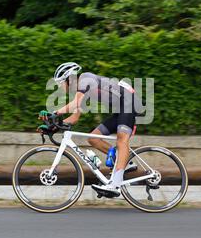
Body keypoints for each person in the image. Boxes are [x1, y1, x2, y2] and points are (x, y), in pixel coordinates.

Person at [49, 62, 138, 197]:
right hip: (121, 109)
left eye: (61, 83)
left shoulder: (85, 78)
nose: (60, 87)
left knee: (121, 141)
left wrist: (55, 113)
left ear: (69, 79)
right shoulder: (82, 91)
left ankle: (116, 183)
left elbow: (74, 105)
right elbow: (74, 118)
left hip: (129, 103)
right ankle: (126, 163)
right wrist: (53, 125)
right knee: (93, 138)